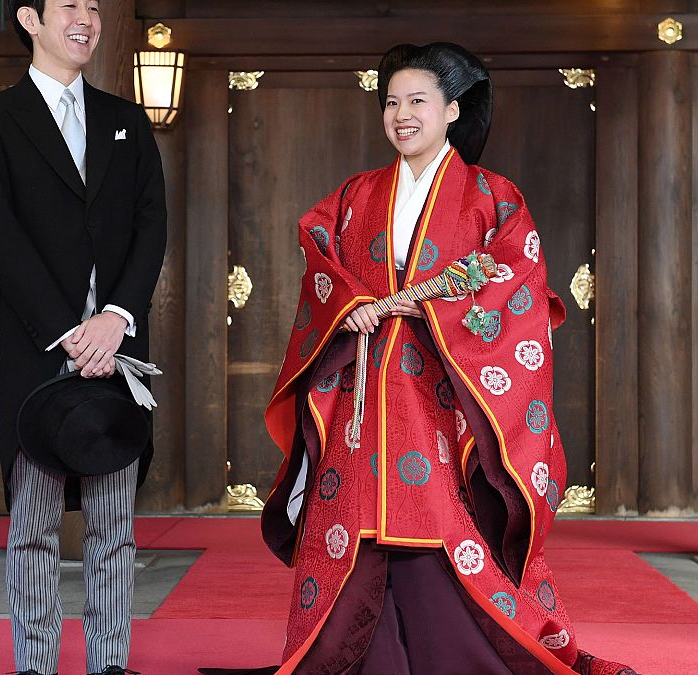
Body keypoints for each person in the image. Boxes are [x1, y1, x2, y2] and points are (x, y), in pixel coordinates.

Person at [259, 43, 636, 674]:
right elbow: (318, 251)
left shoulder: (492, 196)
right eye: (391, 103)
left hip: (444, 390)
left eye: (417, 101)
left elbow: (520, 283)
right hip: (365, 380)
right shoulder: (356, 194)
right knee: (353, 513)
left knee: (438, 509)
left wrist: (438, 314)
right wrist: (349, 304)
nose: (402, 115)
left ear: (452, 110)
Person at [0, 0, 167, 673]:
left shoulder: (126, 121)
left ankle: (110, 661)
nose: (87, 16)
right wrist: (70, 330)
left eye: (94, 6)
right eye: (70, 4)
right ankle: (36, 665)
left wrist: (116, 317)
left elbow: (150, 227)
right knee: (34, 525)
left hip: (119, 351)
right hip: (39, 351)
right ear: (30, 18)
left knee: (113, 522)